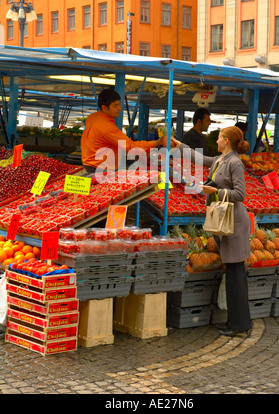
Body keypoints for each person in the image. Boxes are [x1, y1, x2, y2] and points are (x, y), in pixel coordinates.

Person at [172, 126, 252, 337]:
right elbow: (201, 159)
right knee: (234, 273)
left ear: (226, 141)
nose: (216, 141)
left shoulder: (235, 163)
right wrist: (180, 146)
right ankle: (239, 323)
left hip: (234, 223)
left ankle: (239, 325)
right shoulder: (221, 159)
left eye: (218, 139)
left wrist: (215, 191)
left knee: (236, 274)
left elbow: (240, 194)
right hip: (225, 221)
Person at [81, 88, 166, 173]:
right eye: (115, 106)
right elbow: (130, 147)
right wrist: (156, 143)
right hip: (100, 168)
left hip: (90, 164)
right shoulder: (106, 127)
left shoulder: (92, 117)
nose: (120, 108)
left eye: (119, 105)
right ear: (104, 108)